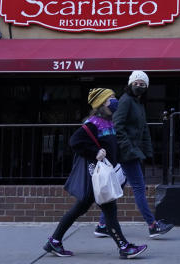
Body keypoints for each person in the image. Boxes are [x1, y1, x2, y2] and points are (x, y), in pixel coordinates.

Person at [44, 88, 147, 259]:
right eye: (110, 99)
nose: (114, 101)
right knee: (110, 210)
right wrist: (95, 152)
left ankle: (54, 241)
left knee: (79, 209)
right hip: (96, 177)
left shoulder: (110, 122)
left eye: (114, 97)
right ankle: (124, 247)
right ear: (100, 104)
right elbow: (75, 141)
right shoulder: (93, 123)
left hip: (102, 175)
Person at [94, 70, 174, 239]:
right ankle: (153, 226)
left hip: (131, 151)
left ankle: (102, 225)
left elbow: (143, 128)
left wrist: (147, 149)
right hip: (126, 153)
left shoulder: (137, 103)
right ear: (130, 84)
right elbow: (118, 126)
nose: (139, 86)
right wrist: (128, 149)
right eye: (136, 83)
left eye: (142, 84)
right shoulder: (125, 101)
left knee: (117, 188)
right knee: (139, 188)